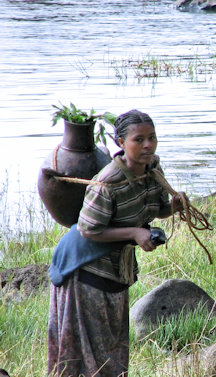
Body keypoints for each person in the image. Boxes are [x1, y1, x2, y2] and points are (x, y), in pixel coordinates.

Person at [47, 109, 184, 376]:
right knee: (86, 355)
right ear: (120, 142)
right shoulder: (108, 182)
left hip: (116, 270)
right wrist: (134, 233)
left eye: (152, 138)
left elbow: (156, 207)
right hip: (84, 267)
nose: (147, 145)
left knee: (111, 349)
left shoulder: (152, 169)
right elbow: (87, 230)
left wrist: (173, 208)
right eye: (139, 139)